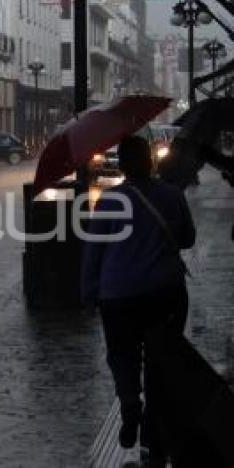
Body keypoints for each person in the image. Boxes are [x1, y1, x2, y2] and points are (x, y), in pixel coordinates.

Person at [81, 136, 196, 464]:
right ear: (151, 162)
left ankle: (130, 402)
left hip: (119, 295)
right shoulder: (172, 195)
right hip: (165, 292)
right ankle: (153, 433)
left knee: (122, 354)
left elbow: (94, 251)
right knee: (161, 361)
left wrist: (89, 291)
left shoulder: (110, 200)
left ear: (122, 165)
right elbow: (188, 239)